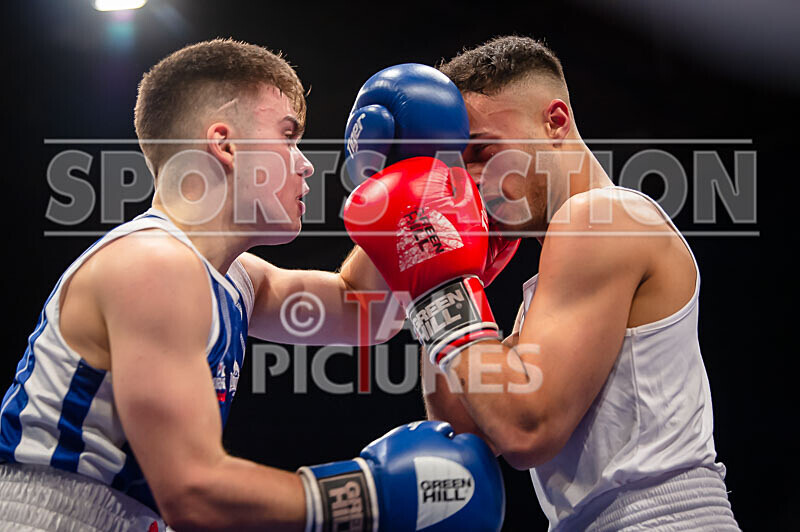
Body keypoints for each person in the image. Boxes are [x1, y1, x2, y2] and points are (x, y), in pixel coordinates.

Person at [0, 39, 505, 531]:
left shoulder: (231, 278)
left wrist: (404, 167)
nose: (307, 163)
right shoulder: (154, 264)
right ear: (225, 144)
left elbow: (365, 310)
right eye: (288, 136)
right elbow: (194, 492)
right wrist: (369, 495)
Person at [346, 37, 740, 530]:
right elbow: (469, 429)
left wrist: (442, 285)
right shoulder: (552, 280)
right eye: (454, 162)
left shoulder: (601, 216)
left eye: (482, 150)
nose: (467, 179)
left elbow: (525, 428)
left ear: (555, 121)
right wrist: (455, 277)